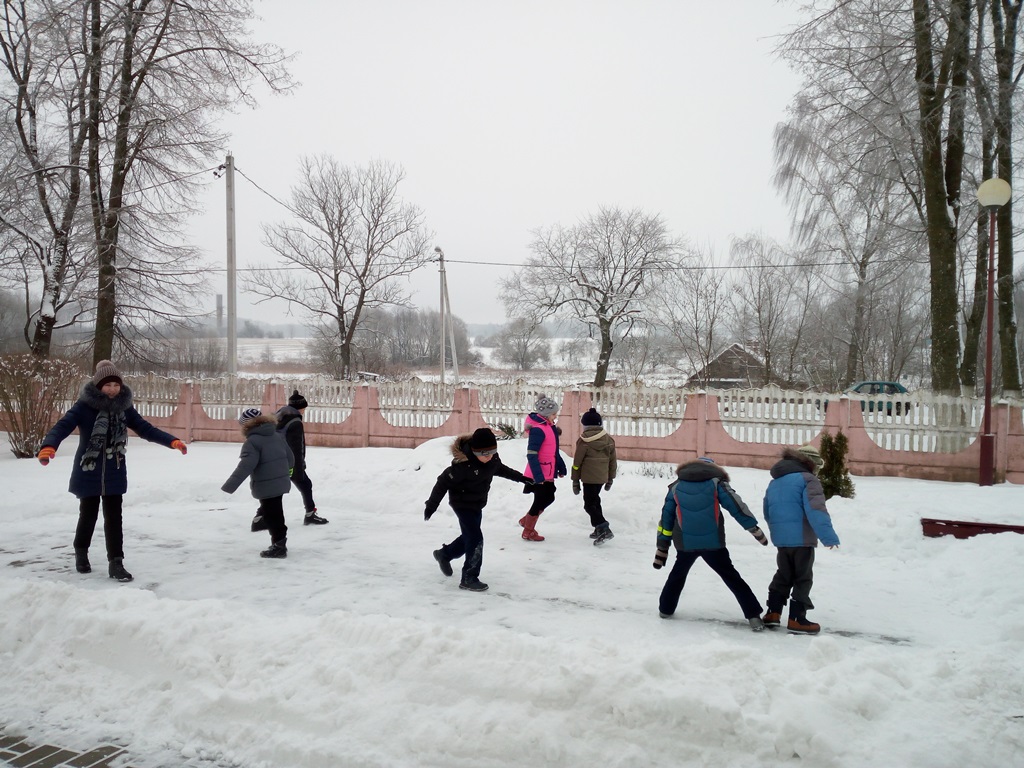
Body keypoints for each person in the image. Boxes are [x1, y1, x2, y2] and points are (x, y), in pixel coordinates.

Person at [37, 359, 188, 582]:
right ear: (99, 385)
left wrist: (172, 441)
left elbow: (145, 428)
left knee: (114, 517)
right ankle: (81, 553)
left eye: (116, 385)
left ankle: (116, 562)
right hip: (88, 469)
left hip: (115, 468)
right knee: (88, 514)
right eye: (108, 385)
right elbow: (62, 426)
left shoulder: (124, 407)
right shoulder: (84, 406)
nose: (112, 389)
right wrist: (49, 446)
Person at [654, 457, 769, 631]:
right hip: (713, 543)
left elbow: (666, 518)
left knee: (678, 575)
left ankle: (665, 609)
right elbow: (736, 506)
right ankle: (753, 616)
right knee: (731, 577)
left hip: (685, 543)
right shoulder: (717, 484)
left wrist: (662, 547)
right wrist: (753, 529)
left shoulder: (675, 487)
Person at [425, 428, 532, 592]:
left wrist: (522, 479)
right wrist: (431, 505)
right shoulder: (462, 466)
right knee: (475, 538)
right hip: (461, 504)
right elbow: (442, 483)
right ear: (475, 452)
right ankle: (469, 577)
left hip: (477, 503)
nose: (489, 456)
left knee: (469, 536)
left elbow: (501, 469)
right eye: (484, 453)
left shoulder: (492, 460)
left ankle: (444, 554)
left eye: (492, 452)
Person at [762, 445, 840, 635]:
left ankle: (773, 612)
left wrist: (777, 531)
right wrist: (828, 536)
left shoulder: (775, 482)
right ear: (810, 462)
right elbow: (816, 510)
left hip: (781, 539)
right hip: (802, 539)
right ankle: (797, 619)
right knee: (802, 577)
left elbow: (767, 511)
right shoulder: (808, 479)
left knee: (783, 574)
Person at [222, 408, 295, 559]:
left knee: (272, 515)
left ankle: (279, 546)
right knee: (274, 512)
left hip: (266, 484)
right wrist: (285, 473)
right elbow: (291, 458)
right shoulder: (276, 435)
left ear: (247, 425)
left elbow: (246, 466)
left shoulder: (253, 442)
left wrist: (230, 486)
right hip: (280, 481)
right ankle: (275, 538)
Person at [253, 389, 328, 530]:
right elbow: (296, 448)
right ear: (300, 408)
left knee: (278, 490)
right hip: (289, 462)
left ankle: (259, 518)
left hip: (275, 460)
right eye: (304, 408)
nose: (304, 411)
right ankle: (309, 515)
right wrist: (297, 469)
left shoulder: (279, 417)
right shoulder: (295, 422)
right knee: (302, 486)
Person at [519, 395, 566, 542]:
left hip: (549, 470)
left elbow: (554, 451)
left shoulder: (550, 428)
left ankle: (526, 520)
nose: (555, 417)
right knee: (540, 500)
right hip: (538, 473)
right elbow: (531, 455)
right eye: (553, 414)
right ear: (546, 415)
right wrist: (538, 477)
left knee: (550, 496)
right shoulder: (538, 430)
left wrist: (561, 467)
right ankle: (528, 531)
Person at [571, 407, 618, 545]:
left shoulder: (583, 441)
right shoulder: (609, 440)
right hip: (602, 478)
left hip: (588, 478)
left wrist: (575, 481)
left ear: (584, 426)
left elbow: (577, 463)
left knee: (588, 505)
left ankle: (604, 527)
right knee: (595, 502)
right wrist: (610, 479)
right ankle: (598, 528)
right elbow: (612, 461)